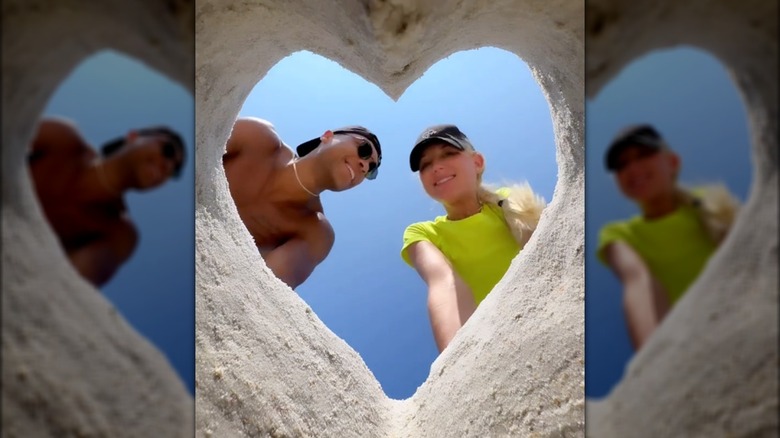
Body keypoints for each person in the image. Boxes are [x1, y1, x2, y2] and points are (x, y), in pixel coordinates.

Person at [400, 124, 546, 352]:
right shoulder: (422, 233)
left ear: (477, 162)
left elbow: (547, 257)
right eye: (425, 165)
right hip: (497, 349)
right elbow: (443, 283)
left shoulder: (511, 203)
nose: (436, 167)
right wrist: (460, 362)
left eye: (448, 153)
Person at [597, 124, 740, 350]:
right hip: (695, 347)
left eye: (644, 155)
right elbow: (637, 279)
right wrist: (656, 359)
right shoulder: (620, 234)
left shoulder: (712, 204)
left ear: (672, 162)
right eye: (622, 164)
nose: (633, 167)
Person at [222, 117, 382, 289]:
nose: (364, 166)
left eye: (371, 171)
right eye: (363, 149)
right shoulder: (257, 137)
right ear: (327, 136)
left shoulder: (315, 232)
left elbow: (259, 291)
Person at [28, 117, 186, 287]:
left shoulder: (118, 233)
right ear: (133, 137)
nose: (168, 166)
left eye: (174, 171)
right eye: (168, 150)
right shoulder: (61, 139)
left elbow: (62, 290)